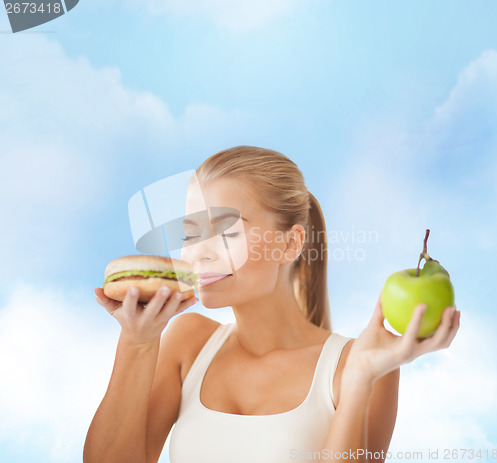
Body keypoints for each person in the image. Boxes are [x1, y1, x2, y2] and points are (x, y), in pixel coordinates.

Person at [83, 146, 460, 463]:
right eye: (189, 233)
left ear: (291, 244)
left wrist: (361, 376)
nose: (198, 254)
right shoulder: (188, 343)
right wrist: (138, 341)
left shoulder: (357, 365)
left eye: (226, 230)